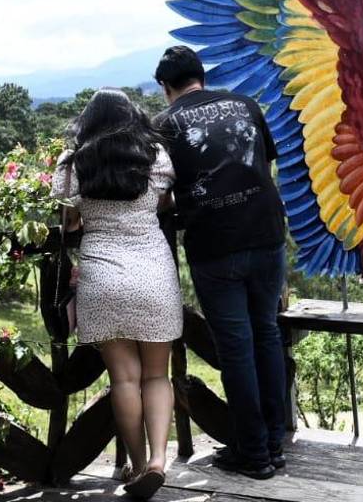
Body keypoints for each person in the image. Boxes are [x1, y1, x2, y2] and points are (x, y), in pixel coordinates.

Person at [152, 45, 289, 480]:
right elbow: (265, 164)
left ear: (166, 87)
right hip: (267, 233)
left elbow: (161, 193)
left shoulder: (164, 125)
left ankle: (254, 453)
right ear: (202, 76)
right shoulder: (245, 105)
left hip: (215, 244)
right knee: (266, 334)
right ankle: (274, 441)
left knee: (236, 349)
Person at [51, 88, 181, 499]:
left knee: (124, 379)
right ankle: (159, 461)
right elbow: (165, 202)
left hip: (102, 276)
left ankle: (137, 466)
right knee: (157, 375)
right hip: (153, 271)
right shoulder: (154, 156)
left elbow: (68, 222)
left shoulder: (73, 163)